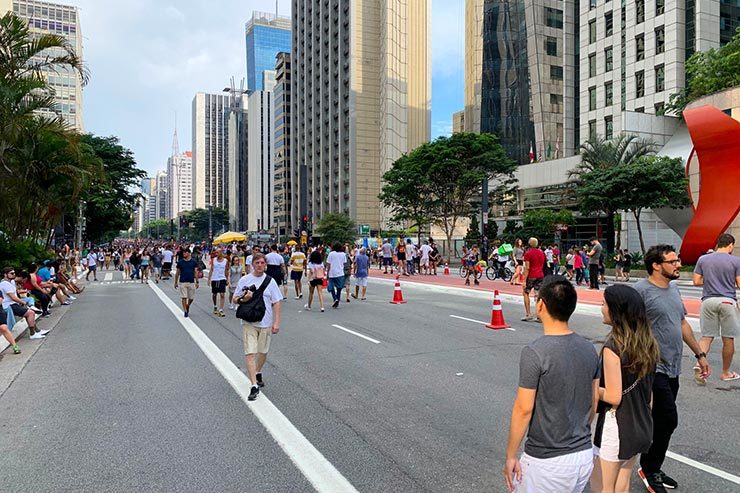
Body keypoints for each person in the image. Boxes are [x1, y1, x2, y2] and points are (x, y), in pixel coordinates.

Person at [503, 276, 599, 492]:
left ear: (541, 305)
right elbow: (593, 401)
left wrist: (510, 455)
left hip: (546, 461)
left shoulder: (535, 351)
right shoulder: (589, 348)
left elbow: (523, 409)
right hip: (582, 454)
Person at [635, 244, 711, 493]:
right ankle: (649, 468)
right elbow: (625, 328)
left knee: (661, 421)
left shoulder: (674, 288)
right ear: (656, 265)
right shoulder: (641, 292)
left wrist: (699, 354)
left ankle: (650, 465)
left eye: (678, 260)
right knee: (668, 418)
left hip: (672, 366)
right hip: (651, 367)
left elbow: (681, 323)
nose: (678, 265)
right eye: (673, 261)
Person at [591, 285, 660, 493]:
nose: (601, 308)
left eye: (604, 304)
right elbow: (650, 394)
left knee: (601, 485)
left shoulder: (614, 347)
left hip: (617, 425)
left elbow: (613, 396)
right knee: (623, 482)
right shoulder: (649, 344)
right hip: (641, 423)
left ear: (615, 311)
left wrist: (593, 386)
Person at [232, 253, 282, 401]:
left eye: (262, 263)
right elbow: (235, 299)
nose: (260, 265)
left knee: (263, 352)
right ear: (252, 264)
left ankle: (258, 371)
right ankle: (254, 385)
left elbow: (277, 302)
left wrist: (276, 322)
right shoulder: (245, 280)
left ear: (265, 265)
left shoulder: (270, 281)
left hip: (265, 323)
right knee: (250, 353)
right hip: (249, 322)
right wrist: (243, 298)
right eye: (257, 263)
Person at [692, 233, 740, 382]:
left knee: (706, 336)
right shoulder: (736, 261)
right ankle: (725, 372)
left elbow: (696, 281)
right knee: (728, 338)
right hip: (727, 301)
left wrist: (712, 281)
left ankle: (699, 364)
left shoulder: (703, 259)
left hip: (708, 300)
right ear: (731, 244)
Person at [1, 267, 47, 340]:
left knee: (29, 310)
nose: (14, 275)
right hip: (9, 305)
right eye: (11, 273)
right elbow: (13, 297)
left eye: (14, 273)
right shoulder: (4, 284)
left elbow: (16, 293)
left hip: (15, 303)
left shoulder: (12, 282)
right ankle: (33, 334)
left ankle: (37, 330)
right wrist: (22, 302)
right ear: (5, 275)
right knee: (30, 313)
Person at [521, 238, 546, 322]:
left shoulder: (528, 253)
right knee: (538, 294)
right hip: (540, 274)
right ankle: (539, 315)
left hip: (531, 275)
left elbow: (527, 268)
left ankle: (528, 314)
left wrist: (524, 280)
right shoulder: (541, 252)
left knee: (526, 292)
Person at [174, 249, 200, 317]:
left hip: (191, 281)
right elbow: (177, 273)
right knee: (184, 297)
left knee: (191, 298)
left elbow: (196, 272)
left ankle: (188, 305)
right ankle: (185, 311)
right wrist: (176, 282)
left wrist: (197, 281)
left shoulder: (194, 262)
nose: (184, 254)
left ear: (189, 253)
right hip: (183, 281)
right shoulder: (180, 262)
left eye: (185, 252)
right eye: (183, 252)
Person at [208, 249, 229, 317]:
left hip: (222, 278)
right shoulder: (214, 260)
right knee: (214, 294)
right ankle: (215, 306)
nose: (216, 253)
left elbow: (226, 270)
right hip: (215, 278)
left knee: (222, 294)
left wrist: (227, 279)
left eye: (218, 252)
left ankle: (221, 309)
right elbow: (211, 269)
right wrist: (209, 279)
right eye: (216, 252)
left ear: (221, 253)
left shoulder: (226, 261)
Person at [326, 243, 347, 309]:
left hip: (332, 273)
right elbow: (344, 263)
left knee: (331, 287)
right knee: (339, 288)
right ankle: (338, 298)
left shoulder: (331, 254)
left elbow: (328, 264)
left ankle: (335, 298)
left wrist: (327, 273)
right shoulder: (343, 254)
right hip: (340, 273)